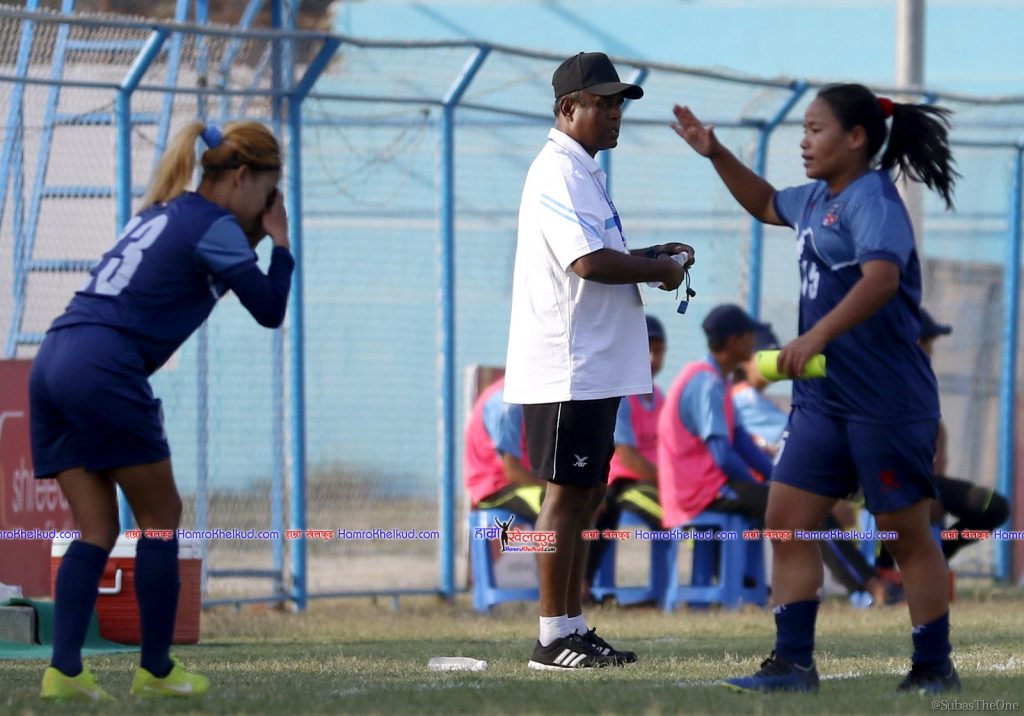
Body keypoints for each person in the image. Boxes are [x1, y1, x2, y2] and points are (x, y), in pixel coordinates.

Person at [673, 84, 961, 693]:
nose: (803, 141)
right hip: (823, 402)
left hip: (885, 401)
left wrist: (816, 336)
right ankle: (793, 664)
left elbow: (881, 279)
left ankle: (934, 667)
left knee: (904, 534)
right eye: (803, 129)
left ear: (856, 138)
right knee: (786, 521)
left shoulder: (873, 200)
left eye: (815, 129)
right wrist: (715, 152)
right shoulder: (812, 200)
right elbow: (764, 201)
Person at [32, 121, 292, 701]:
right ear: (243, 176)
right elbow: (270, 308)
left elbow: (196, 275)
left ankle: (64, 674)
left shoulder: (161, 213)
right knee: (160, 516)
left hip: (54, 358)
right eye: (268, 191)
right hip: (105, 364)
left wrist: (254, 233)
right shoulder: (214, 226)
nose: (269, 204)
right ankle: (154, 670)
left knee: (97, 529)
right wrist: (281, 242)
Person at [504, 51, 693, 671]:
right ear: (568, 108)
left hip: (593, 364)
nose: (615, 114)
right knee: (565, 498)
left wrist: (652, 255)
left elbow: (598, 254)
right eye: (603, 103)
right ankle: (550, 637)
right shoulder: (558, 170)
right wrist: (659, 269)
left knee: (587, 497)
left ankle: (572, 626)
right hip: (569, 365)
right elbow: (586, 262)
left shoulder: (583, 170)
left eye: (619, 104)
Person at [733, 325, 903, 607]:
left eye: (777, 353)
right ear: (745, 360)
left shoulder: (757, 400)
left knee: (872, 499)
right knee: (816, 514)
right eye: (767, 355)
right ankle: (871, 587)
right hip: (765, 486)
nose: (776, 362)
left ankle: (875, 579)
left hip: (777, 481)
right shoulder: (744, 399)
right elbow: (795, 444)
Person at [873, 308, 1010, 579]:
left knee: (994, 507)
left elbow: (934, 437)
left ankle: (939, 551)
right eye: (926, 342)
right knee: (891, 499)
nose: (931, 351)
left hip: (923, 482)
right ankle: (881, 575)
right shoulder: (880, 384)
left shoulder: (920, 384)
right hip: (879, 482)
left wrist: (931, 485)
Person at [658, 304, 775, 531]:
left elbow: (742, 442)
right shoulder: (707, 383)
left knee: (785, 499)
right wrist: (756, 485)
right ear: (733, 342)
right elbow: (722, 456)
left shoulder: (718, 380)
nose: (754, 341)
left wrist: (777, 478)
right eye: (750, 334)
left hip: (709, 485)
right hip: (697, 493)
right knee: (789, 508)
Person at [583, 315, 669, 603]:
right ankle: (583, 587)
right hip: (622, 483)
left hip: (652, 480)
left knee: (694, 510)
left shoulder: (659, 397)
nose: (653, 358)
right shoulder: (620, 395)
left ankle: (671, 590)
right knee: (671, 515)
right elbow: (627, 455)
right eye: (647, 349)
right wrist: (668, 483)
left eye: (659, 351)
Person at [464, 375, 544, 524]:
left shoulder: (535, 394)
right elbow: (513, 472)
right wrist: (554, 487)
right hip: (496, 487)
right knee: (560, 503)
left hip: (523, 481)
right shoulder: (508, 404)